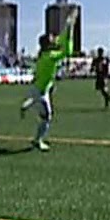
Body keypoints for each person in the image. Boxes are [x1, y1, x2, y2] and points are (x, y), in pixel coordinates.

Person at [19, 9, 78, 151]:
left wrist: (68, 27)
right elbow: (66, 51)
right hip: (40, 91)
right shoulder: (50, 56)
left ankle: (29, 105)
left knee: (45, 114)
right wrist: (69, 29)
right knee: (47, 117)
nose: (54, 38)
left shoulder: (44, 55)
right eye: (52, 37)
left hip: (41, 88)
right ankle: (37, 140)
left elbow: (62, 44)